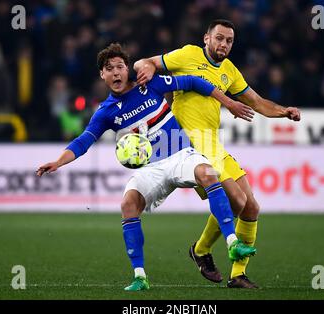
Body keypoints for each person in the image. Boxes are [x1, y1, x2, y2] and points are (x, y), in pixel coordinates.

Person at [36, 43, 256, 291]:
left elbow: (194, 82)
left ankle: (232, 242)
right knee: (128, 204)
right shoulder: (105, 112)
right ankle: (140, 276)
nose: (116, 72)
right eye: (109, 69)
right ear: (102, 75)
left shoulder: (149, 84)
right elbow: (84, 140)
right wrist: (58, 161)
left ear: (127, 68)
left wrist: (228, 102)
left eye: (120, 66)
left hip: (180, 154)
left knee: (207, 172)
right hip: (150, 169)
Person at [134, 19, 301, 288]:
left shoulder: (229, 71)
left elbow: (257, 102)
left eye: (229, 40)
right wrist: (143, 66)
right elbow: (149, 62)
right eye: (219, 38)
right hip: (188, 143)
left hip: (213, 143)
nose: (224, 44)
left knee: (251, 206)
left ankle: (238, 275)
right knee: (235, 199)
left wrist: (283, 111)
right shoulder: (188, 54)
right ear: (207, 38)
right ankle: (200, 250)